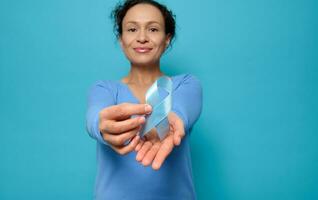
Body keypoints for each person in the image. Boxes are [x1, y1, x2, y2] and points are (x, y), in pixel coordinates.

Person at [86, 0, 202, 199]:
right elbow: (95, 117)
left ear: (167, 39)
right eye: (132, 29)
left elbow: (182, 110)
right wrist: (102, 126)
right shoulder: (104, 89)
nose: (142, 37)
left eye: (153, 29)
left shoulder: (185, 84)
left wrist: (173, 119)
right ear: (121, 40)